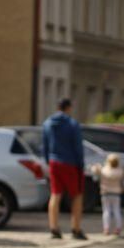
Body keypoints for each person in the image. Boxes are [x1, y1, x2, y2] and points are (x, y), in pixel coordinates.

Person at [42, 98, 87, 240]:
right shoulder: (73, 124)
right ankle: (76, 228)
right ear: (68, 108)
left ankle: (54, 228)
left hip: (54, 162)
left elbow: (45, 145)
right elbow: (78, 146)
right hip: (71, 163)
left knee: (55, 194)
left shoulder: (47, 123)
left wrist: (48, 161)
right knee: (77, 195)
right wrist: (81, 164)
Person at [90, 153, 124, 235]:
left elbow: (94, 172)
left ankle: (106, 229)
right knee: (117, 211)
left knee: (106, 211)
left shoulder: (104, 170)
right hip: (116, 193)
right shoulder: (120, 171)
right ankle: (118, 228)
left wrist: (96, 167)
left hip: (105, 193)